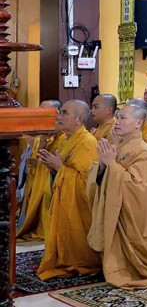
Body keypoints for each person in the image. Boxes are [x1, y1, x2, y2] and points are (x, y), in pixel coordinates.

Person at [87, 102, 147, 288]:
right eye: (117, 117)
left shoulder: (143, 150)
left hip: (134, 214)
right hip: (118, 210)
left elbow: (138, 186)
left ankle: (129, 266)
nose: (117, 122)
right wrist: (103, 165)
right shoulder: (120, 145)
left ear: (138, 123)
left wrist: (111, 165)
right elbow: (102, 174)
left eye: (122, 118)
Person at [36, 101, 102, 280]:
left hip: (78, 203)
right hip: (63, 196)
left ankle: (82, 261)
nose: (59, 116)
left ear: (78, 119)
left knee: (76, 236)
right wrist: (54, 167)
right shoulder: (66, 139)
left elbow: (87, 180)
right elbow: (64, 171)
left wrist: (60, 168)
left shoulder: (87, 142)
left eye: (64, 113)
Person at [16, 99, 64, 241]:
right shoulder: (42, 136)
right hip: (36, 181)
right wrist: (42, 143)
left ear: (57, 114)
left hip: (51, 182)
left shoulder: (63, 138)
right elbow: (32, 164)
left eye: (45, 111)